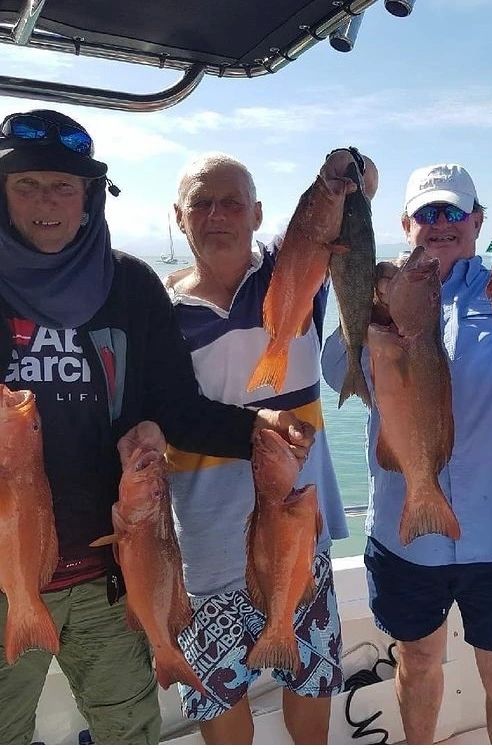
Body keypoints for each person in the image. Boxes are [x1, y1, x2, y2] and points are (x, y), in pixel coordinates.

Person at [0, 109, 312, 745]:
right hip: (4, 573)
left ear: (89, 194)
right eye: (26, 185)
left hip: (112, 574)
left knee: (129, 732)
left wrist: (258, 429)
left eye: (64, 185)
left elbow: (177, 409)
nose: (46, 202)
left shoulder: (132, 285)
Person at [321, 163, 492, 745]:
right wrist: (362, 306)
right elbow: (335, 372)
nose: (441, 224)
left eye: (454, 212)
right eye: (428, 213)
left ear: (477, 221)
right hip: (407, 528)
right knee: (418, 662)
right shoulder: (374, 297)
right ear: (406, 224)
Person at [163, 149, 370, 744]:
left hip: (299, 519)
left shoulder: (293, 271)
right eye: (202, 203)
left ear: (257, 214)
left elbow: (353, 191)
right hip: (205, 540)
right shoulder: (159, 310)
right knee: (215, 689)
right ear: (180, 217)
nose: (217, 215)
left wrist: (348, 168)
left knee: (310, 675)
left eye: (232, 202)